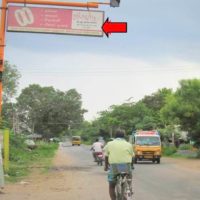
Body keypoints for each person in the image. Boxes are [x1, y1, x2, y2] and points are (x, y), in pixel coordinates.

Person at [104, 129, 134, 200]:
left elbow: (106, 156)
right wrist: (131, 166)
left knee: (111, 185)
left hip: (114, 166)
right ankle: (129, 188)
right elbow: (132, 156)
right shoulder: (128, 144)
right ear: (124, 136)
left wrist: (106, 166)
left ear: (115, 136)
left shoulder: (109, 144)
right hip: (126, 165)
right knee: (129, 177)